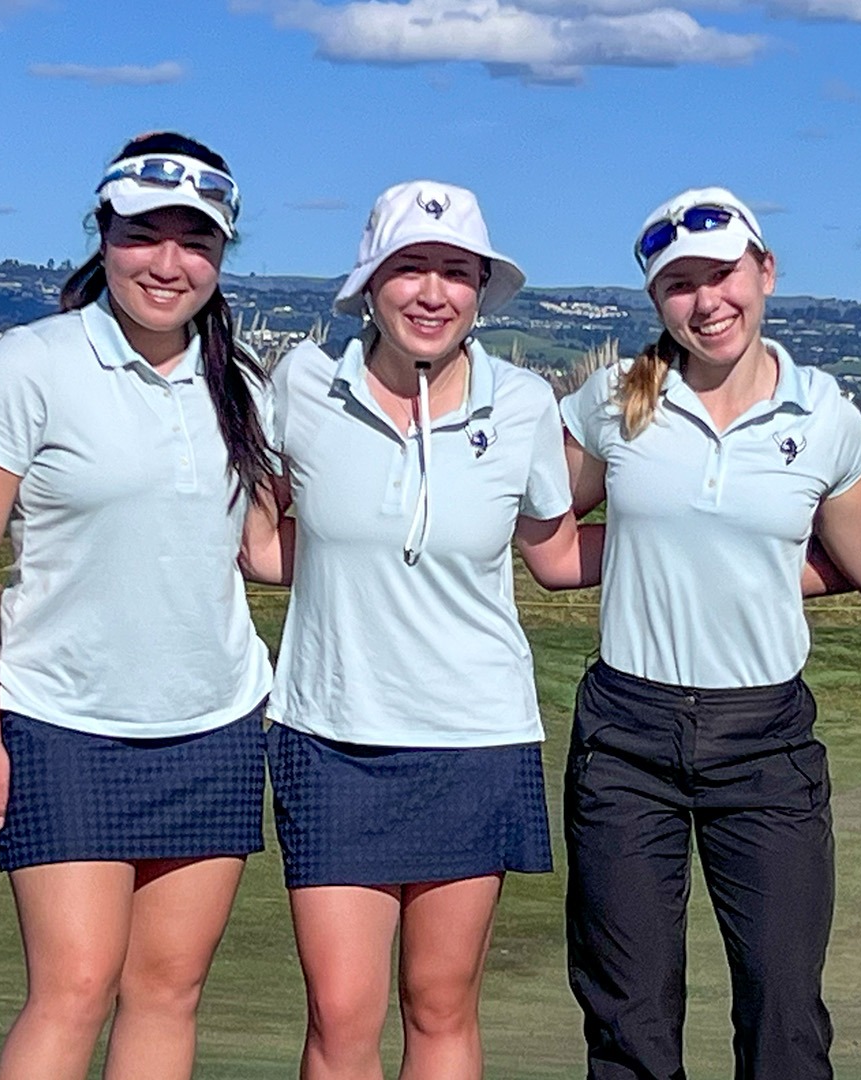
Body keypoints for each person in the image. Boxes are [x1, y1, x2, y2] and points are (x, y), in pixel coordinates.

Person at [243, 180, 598, 1080]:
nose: (432, 292)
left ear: (481, 289)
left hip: (474, 739)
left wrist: (712, 551)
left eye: (455, 271)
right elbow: (265, 543)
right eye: (409, 268)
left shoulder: (522, 404)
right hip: (330, 736)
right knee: (340, 1018)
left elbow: (554, 556)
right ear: (369, 283)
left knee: (440, 1010)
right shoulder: (302, 387)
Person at [0, 131, 273, 1080]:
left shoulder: (238, 382)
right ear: (104, 233)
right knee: (75, 988)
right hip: (62, 723)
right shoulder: (27, 365)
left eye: (195, 241)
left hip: (213, 722)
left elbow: (258, 553)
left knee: (168, 993)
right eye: (144, 234)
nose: (169, 264)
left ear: (221, 253)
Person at [558, 187, 861, 1080]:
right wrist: (644, 554)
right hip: (627, 737)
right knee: (628, 1025)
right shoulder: (613, 399)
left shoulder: (822, 414)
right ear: (656, 300)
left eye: (723, 275)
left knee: (785, 1020)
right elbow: (551, 546)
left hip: (765, 742)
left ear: (765, 271)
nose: (708, 302)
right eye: (680, 286)